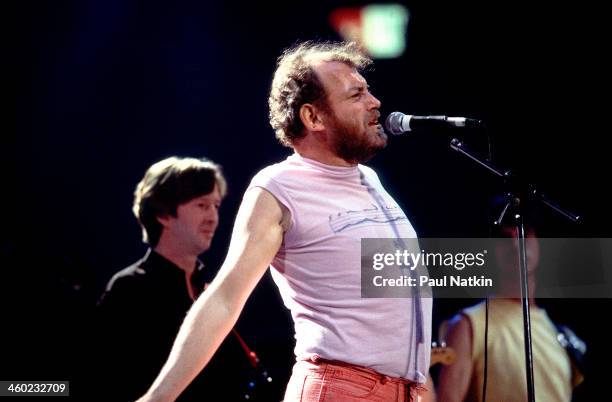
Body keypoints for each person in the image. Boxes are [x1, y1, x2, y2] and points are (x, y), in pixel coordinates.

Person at [137, 41, 432, 402]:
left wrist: (507, 270)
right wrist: (158, 397)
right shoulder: (278, 187)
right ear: (313, 117)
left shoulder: (369, 180)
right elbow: (225, 299)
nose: (375, 102)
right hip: (341, 389)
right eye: (356, 95)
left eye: (368, 91)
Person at [96, 156, 251, 401]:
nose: (213, 217)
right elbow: (110, 378)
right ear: (164, 214)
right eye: (202, 205)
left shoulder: (207, 289)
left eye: (216, 206)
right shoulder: (130, 288)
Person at [436, 225, 585, 402]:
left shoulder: (560, 333)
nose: (515, 244)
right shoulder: (468, 324)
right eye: (504, 238)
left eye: (524, 234)